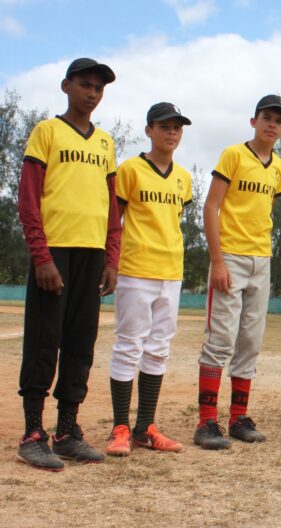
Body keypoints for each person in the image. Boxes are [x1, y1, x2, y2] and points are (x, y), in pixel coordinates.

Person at [16, 58, 120, 471]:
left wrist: (112, 258)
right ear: (66, 86)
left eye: (98, 87)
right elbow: (28, 199)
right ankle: (32, 434)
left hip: (92, 255)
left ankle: (66, 433)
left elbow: (112, 208)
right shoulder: (47, 131)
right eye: (85, 85)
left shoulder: (106, 142)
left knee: (80, 343)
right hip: (54, 252)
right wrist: (41, 256)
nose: (92, 93)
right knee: (44, 342)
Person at [194, 95, 281, 450]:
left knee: (250, 340)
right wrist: (217, 260)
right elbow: (211, 206)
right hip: (230, 257)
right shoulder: (234, 155)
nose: (271, 124)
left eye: (278, 120)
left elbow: (265, 211)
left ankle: (237, 418)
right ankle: (206, 422)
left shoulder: (279, 167)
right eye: (266, 117)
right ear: (254, 121)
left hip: (260, 260)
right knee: (220, 339)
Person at [106, 102, 193, 457]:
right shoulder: (130, 170)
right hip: (135, 268)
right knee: (129, 346)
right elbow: (115, 220)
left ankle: (146, 427)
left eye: (177, 127)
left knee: (158, 350)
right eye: (164, 126)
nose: (172, 132)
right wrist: (109, 262)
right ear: (149, 130)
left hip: (170, 271)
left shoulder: (183, 178)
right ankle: (120, 428)